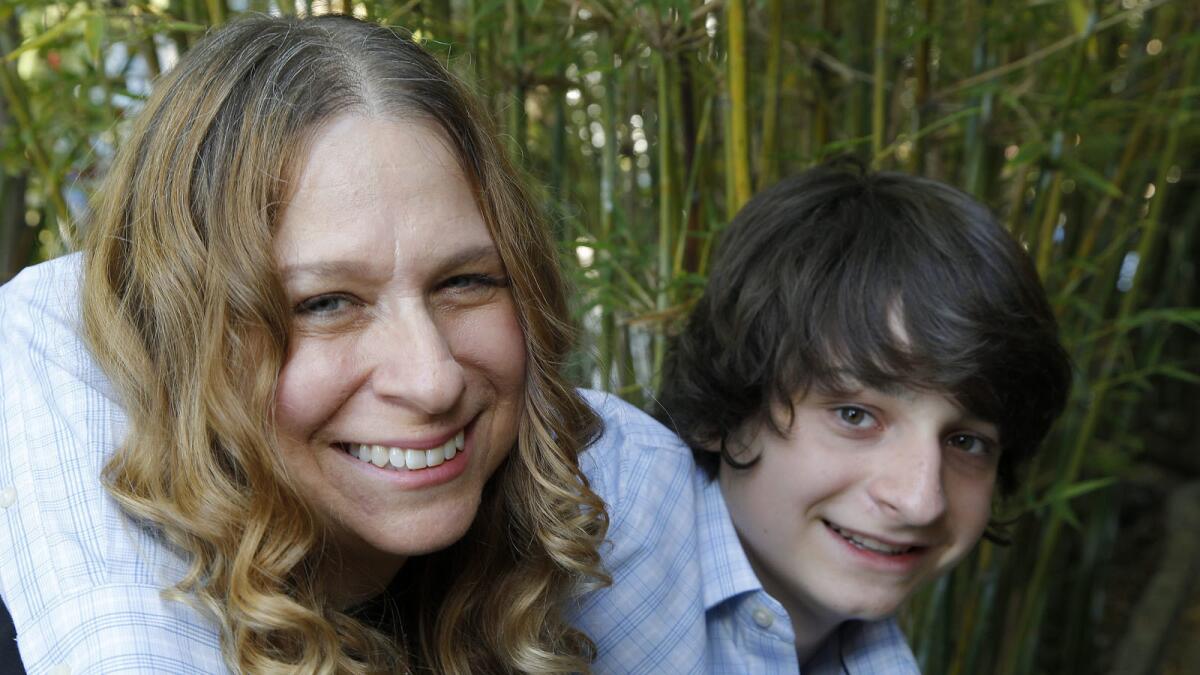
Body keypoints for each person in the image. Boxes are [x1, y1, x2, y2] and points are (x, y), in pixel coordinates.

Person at [0, 14, 609, 673]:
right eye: (326, 303)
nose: (434, 379)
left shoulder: (569, 547)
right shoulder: (49, 629)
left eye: (465, 281)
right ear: (180, 333)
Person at [571, 164, 1072, 672]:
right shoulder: (602, 500)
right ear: (724, 413)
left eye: (967, 442)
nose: (921, 502)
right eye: (856, 415)